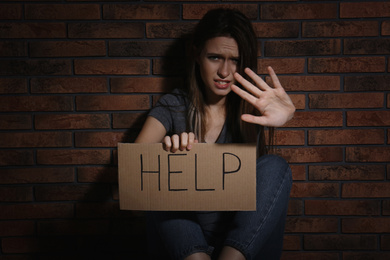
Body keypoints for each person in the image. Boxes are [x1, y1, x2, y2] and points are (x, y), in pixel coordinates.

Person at [135, 8, 295, 260]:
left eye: (235, 61)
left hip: (241, 244)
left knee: (277, 166)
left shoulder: (253, 109)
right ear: (197, 55)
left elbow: (263, 193)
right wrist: (166, 156)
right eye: (214, 57)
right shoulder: (172, 105)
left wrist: (286, 117)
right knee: (156, 179)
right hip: (186, 244)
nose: (224, 72)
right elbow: (134, 173)